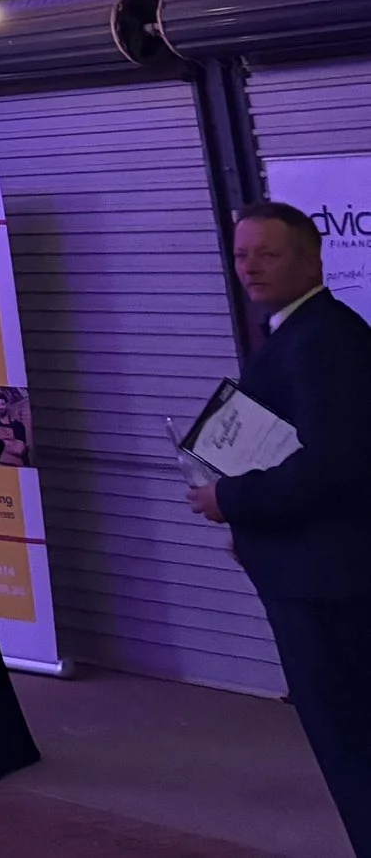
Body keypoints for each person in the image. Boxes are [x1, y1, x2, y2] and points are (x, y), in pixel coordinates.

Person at [188, 199, 371, 853]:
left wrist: (231, 499)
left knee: (350, 739)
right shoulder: (297, 332)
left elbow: (333, 465)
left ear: (312, 260)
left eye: (268, 254)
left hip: (326, 582)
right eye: (242, 254)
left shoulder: (324, 341)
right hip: (310, 569)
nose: (250, 267)